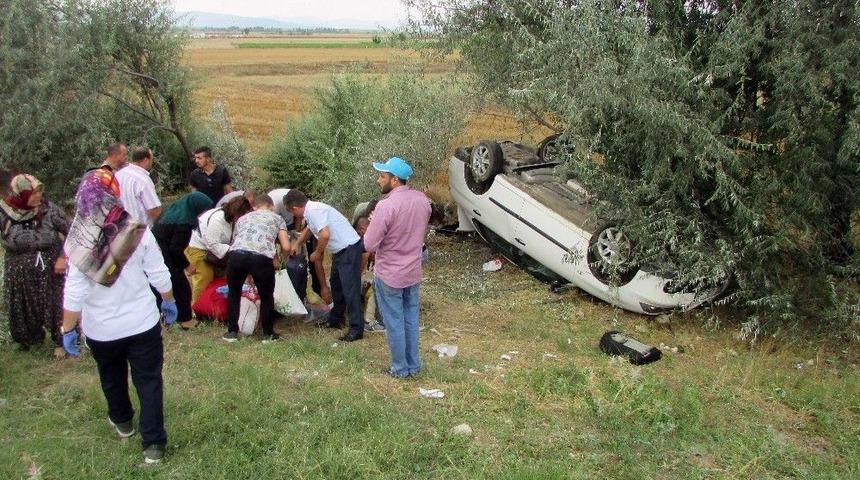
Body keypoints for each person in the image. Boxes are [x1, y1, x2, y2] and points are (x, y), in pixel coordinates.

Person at [60, 167, 177, 464]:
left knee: (111, 375)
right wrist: (168, 300)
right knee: (149, 381)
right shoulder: (138, 230)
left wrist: (68, 328)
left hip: (102, 329)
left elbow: (74, 289)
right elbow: (158, 272)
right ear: (115, 193)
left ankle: (123, 421)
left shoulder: (79, 238)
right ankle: (154, 444)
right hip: (142, 322)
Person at [363, 157, 431, 378]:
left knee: (394, 322)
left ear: (394, 180)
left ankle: (400, 368)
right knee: (411, 319)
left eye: (382, 176)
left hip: (390, 273)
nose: (378, 180)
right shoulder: (422, 200)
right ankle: (413, 366)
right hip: (413, 271)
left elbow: (369, 244)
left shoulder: (386, 205)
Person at [0, 174, 70, 355]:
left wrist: (63, 257)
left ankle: (62, 342)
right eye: (34, 193)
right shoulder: (5, 212)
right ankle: (29, 339)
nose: (39, 195)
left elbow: (71, 232)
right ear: (20, 195)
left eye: (40, 191)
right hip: (17, 269)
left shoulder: (48, 209)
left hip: (50, 267)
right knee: (22, 305)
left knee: (55, 304)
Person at [285, 190, 364, 342]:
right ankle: (336, 319)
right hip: (340, 251)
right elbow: (310, 229)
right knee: (336, 284)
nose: (293, 215)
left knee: (350, 289)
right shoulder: (311, 211)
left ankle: (356, 329)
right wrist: (298, 243)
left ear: (295, 208)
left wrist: (317, 252)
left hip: (348, 249)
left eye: (291, 212)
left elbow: (325, 234)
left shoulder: (314, 210)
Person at [223, 194, 291, 342]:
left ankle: (232, 332)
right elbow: (286, 246)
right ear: (272, 206)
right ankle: (268, 334)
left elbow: (239, 240)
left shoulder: (243, 218)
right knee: (266, 296)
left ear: (255, 207)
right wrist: (281, 261)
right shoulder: (277, 218)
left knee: (234, 292)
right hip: (261, 258)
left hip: (236, 255)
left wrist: (247, 273)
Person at [151, 192, 213, 330]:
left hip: (156, 250)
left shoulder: (174, 210)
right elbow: (175, 249)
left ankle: (163, 318)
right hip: (165, 253)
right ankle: (185, 320)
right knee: (182, 288)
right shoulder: (184, 222)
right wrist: (187, 265)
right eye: (203, 210)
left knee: (160, 285)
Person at [185, 194, 253, 303]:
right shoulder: (217, 220)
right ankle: (197, 306)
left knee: (224, 277)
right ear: (236, 213)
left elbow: (237, 238)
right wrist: (233, 251)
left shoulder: (235, 221)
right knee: (205, 277)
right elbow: (212, 243)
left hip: (220, 248)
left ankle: (216, 306)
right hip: (198, 246)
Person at [116, 146, 162, 225]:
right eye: (151, 160)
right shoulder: (143, 180)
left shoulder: (118, 175)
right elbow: (153, 211)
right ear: (146, 160)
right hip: (140, 229)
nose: (152, 162)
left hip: (120, 227)